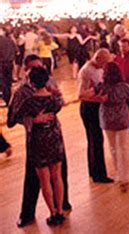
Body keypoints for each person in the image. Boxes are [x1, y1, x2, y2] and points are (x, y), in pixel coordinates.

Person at [8, 54, 72, 227]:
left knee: (57, 174)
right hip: (36, 138)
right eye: (34, 67)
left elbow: (61, 102)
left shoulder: (49, 85)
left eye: (40, 67)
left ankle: (60, 207)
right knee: (35, 178)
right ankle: (28, 213)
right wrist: (33, 120)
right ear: (26, 70)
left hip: (53, 135)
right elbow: (12, 119)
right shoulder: (21, 92)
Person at [18, 67, 66, 225]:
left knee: (44, 180)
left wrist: (34, 119)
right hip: (55, 138)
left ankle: (52, 212)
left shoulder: (29, 102)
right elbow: (60, 103)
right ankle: (60, 211)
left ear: (31, 82)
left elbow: (15, 118)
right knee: (57, 176)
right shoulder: (54, 100)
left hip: (38, 141)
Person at [100, 62, 129, 192]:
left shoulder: (102, 87)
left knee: (113, 148)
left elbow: (84, 95)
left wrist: (99, 99)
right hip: (122, 120)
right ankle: (125, 177)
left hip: (107, 120)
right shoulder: (125, 87)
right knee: (123, 148)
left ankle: (118, 174)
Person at [78, 49, 114, 182]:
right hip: (89, 108)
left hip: (95, 106)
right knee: (96, 140)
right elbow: (81, 95)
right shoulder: (87, 71)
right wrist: (99, 99)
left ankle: (94, 171)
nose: (105, 66)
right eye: (104, 63)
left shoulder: (97, 69)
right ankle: (99, 175)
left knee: (94, 140)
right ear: (97, 59)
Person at [0, 27, 16, 105]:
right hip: (10, 63)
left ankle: (4, 99)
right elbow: (16, 51)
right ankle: (8, 99)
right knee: (8, 82)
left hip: (1, 63)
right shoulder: (10, 40)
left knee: (2, 82)